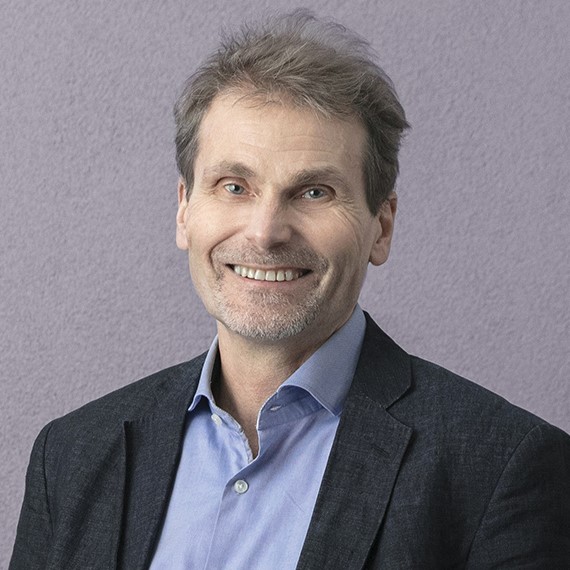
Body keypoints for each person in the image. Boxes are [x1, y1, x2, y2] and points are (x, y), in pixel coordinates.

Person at [10, 11, 570, 570]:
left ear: (381, 226)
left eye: (314, 192)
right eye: (234, 186)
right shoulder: (72, 456)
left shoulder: (501, 470)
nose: (265, 232)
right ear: (184, 209)